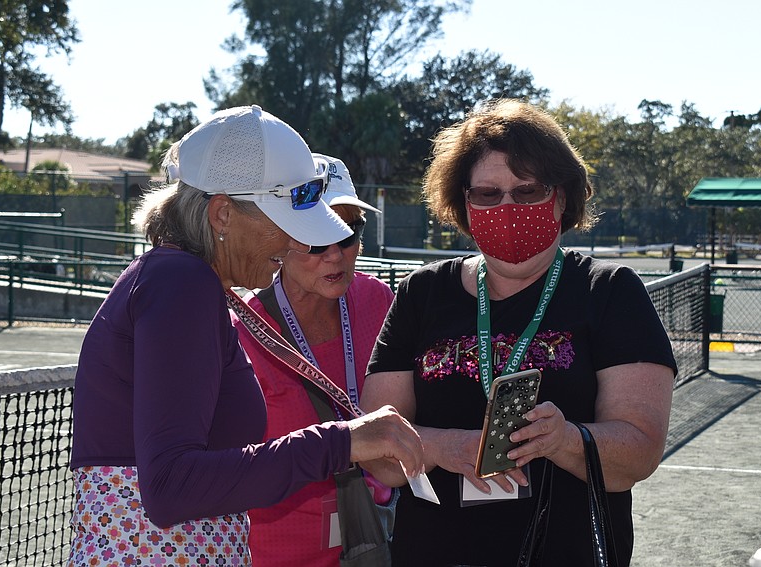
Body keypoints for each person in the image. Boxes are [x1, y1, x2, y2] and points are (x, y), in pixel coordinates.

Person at [67, 105, 423, 566]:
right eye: (286, 225)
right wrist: (342, 442)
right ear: (222, 215)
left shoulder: (177, 280)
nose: (292, 245)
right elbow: (171, 486)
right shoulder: (182, 283)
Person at [360, 98, 676, 566]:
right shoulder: (421, 294)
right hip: (434, 552)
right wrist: (444, 448)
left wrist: (565, 439)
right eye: (487, 194)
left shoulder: (610, 293)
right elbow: (376, 448)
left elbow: (640, 452)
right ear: (463, 204)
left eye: (527, 191)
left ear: (562, 198)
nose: (507, 207)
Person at [233, 153, 394, 566]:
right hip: (274, 553)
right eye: (316, 239)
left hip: (377, 534)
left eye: (348, 232)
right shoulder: (238, 329)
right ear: (280, 238)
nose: (336, 254)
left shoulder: (379, 300)